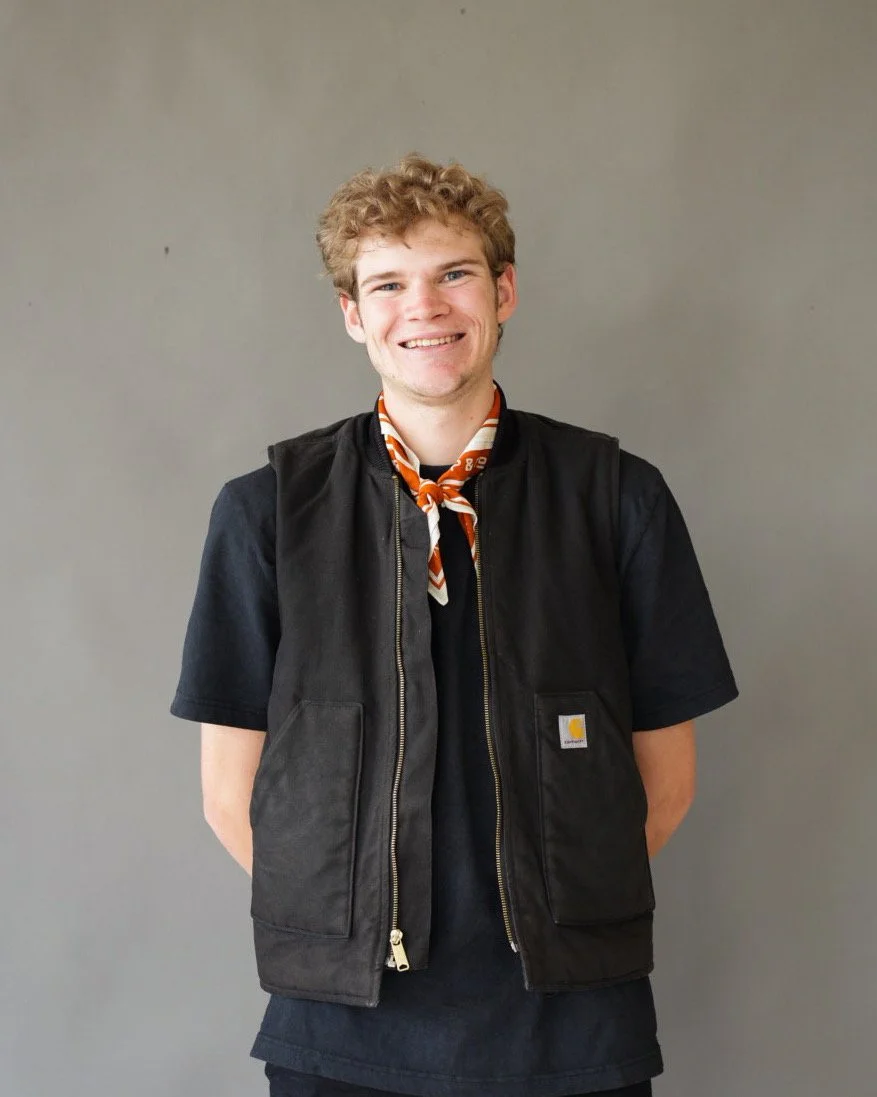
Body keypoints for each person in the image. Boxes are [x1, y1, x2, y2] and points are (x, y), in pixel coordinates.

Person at [170, 153, 738, 1097]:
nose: (423, 307)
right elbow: (230, 794)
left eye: (454, 273)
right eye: (388, 283)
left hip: (573, 1022)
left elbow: (665, 783)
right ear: (353, 313)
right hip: (342, 1026)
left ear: (503, 291)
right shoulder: (266, 512)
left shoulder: (615, 498)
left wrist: (556, 900)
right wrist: (352, 916)